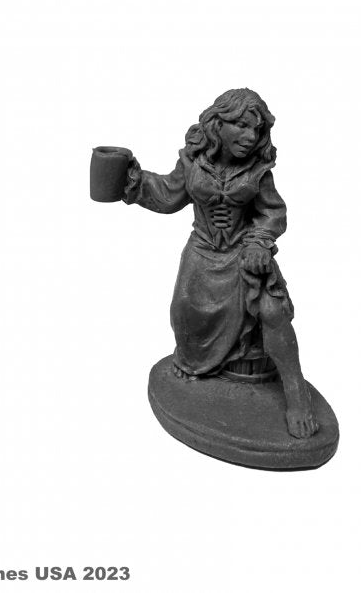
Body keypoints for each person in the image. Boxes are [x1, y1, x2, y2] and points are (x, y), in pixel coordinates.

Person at [123, 88, 318, 438]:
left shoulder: (258, 171)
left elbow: (273, 214)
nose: (250, 136)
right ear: (218, 124)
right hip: (202, 250)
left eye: (256, 129)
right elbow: (167, 195)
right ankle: (196, 365)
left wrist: (259, 241)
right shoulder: (193, 164)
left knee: (272, 311)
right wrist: (131, 183)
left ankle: (295, 393)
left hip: (244, 252)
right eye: (241, 126)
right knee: (185, 309)